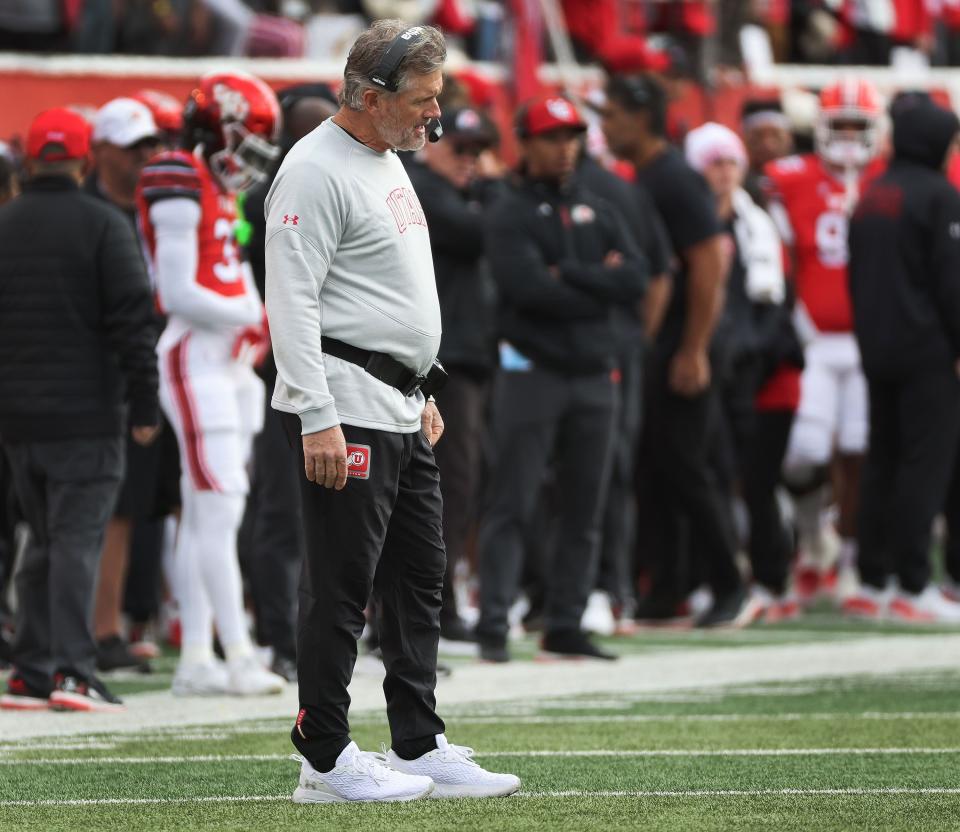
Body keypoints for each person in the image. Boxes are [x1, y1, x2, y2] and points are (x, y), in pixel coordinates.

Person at [264, 20, 520, 803]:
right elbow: (293, 302)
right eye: (420, 99)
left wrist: (420, 388)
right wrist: (315, 415)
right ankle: (325, 753)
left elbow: (383, 292)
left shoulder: (386, 155)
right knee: (343, 585)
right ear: (368, 97)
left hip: (399, 402)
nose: (432, 117)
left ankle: (417, 739)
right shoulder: (314, 170)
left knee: (420, 575)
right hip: (344, 404)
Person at [475, 96, 647, 661]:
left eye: (571, 137)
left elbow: (637, 278)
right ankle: (496, 619)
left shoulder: (600, 206)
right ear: (524, 143)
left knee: (586, 505)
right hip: (535, 373)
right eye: (552, 137)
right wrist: (598, 280)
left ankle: (566, 621)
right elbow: (528, 290)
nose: (564, 148)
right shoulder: (508, 211)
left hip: (594, 374)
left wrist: (568, 274)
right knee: (514, 498)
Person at [0, 108, 159, 712]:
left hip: (18, 420)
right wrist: (145, 403)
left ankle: (30, 670)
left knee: (42, 540)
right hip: (87, 415)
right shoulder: (102, 224)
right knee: (72, 541)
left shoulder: (5, 223)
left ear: (32, 158)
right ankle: (71, 667)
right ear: (85, 158)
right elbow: (132, 322)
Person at [136, 71, 286, 697]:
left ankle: (199, 655)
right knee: (217, 512)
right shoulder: (174, 175)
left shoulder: (215, 189)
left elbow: (232, 270)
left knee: (205, 513)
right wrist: (255, 316)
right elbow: (175, 292)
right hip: (195, 356)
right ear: (215, 130)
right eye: (243, 146)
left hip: (227, 361)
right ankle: (239, 652)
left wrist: (260, 319)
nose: (247, 164)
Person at [601, 74, 753, 627]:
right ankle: (668, 587)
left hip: (681, 346)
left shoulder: (673, 178)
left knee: (689, 467)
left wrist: (694, 348)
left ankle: (730, 583)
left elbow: (713, 258)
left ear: (641, 118)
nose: (607, 125)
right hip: (659, 344)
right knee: (655, 469)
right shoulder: (649, 174)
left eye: (613, 114)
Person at [764, 78, 886, 608]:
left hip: (870, 339)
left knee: (860, 451)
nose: (849, 137)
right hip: (813, 338)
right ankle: (813, 537)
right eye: (840, 125)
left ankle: (851, 560)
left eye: (859, 126)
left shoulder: (889, 180)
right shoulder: (790, 178)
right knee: (804, 452)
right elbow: (781, 251)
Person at [684, 122, 803, 620]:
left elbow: (775, 304)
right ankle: (713, 576)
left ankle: (772, 576)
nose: (725, 172)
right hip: (704, 368)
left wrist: (748, 350)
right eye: (715, 162)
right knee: (710, 473)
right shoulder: (691, 220)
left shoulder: (757, 223)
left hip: (750, 371)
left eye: (732, 162)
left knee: (755, 480)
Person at [848, 96, 960, 622]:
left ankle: (874, 578)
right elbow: (952, 284)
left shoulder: (873, 194)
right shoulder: (939, 196)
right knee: (925, 463)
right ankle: (914, 584)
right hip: (926, 352)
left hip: (877, 348)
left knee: (883, 461)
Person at [242, 82, 340, 682]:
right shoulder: (258, 201)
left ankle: (338, 635)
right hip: (278, 371)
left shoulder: (345, 189)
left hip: (343, 371)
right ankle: (278, 635)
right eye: (303, 128)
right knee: (282, 510)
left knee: (345, 514)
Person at [405, 105, 501, 643]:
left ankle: (432, 598)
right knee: (441, 481)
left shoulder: (456, 192)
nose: (471, 161)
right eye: (459, 149)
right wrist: (493, 192)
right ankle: (427, 601)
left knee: (451, 481)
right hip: (439, 363)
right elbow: (478, 232)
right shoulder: (418, 187)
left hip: (460, 356)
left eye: (476, 150)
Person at [86, 97, 164, 673]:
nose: (148, 157)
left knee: (142, 503)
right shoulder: (88, 213)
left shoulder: (156, 211)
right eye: (135, 147)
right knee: (102, 507)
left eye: (151, 146)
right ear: (101, 150)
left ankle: (128, 618)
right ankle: (98, 627)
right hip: (92, 374)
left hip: (149, 368)